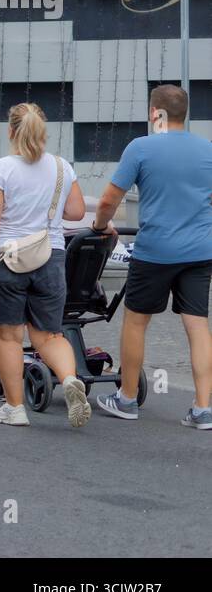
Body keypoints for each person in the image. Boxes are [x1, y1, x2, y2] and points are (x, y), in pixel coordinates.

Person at [90, 84, 212, 429]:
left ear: (156, 112)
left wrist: (101, 226)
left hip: (156, 251)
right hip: (200, 251)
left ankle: (127, 399)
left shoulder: (141, 148)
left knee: (136, 321)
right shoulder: (207, 150)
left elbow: (107, 201)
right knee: (197, 325)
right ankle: (203, 408)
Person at [0, 103, 90, 427]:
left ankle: (15, 408)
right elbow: (78, 212)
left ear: (11, 131)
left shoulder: (2, 168)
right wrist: (46, 209)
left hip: (9, 258)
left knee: (9, 337)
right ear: (43, 132)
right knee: (50, 335)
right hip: (50, 256)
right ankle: (68, 379)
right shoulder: (62, 167)